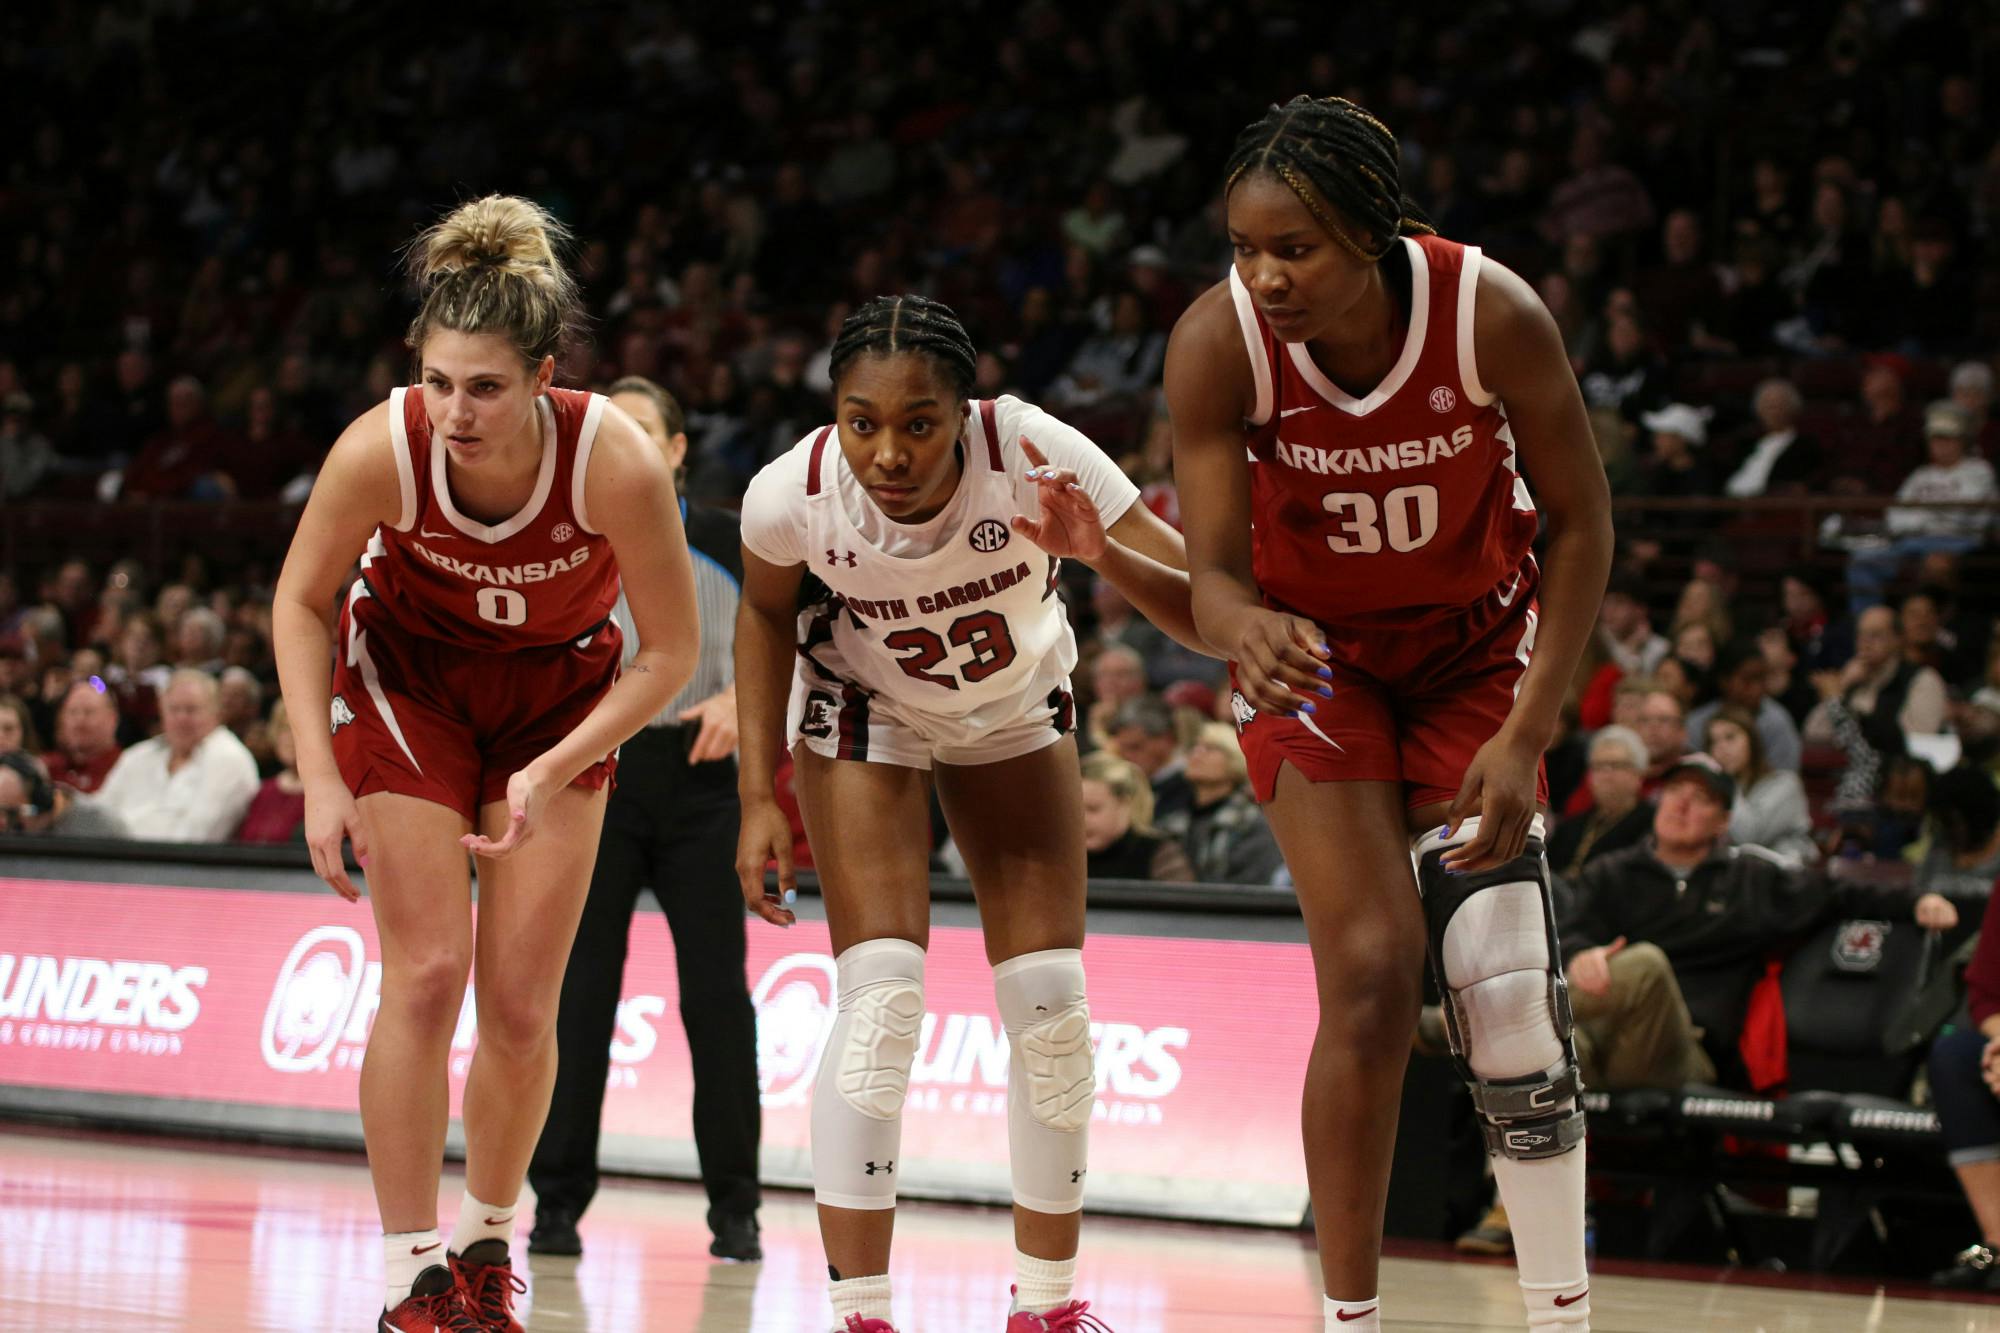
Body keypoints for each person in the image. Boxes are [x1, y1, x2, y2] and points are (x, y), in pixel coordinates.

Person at [1166, 96, 1614, 1331]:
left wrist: (1526, 730)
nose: (1263, 276)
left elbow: (1582, 521)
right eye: (1243, 249)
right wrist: (1238, 626)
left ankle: (1559, 1316)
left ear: (1369, 231)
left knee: (1505, 993)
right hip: (1319, 664)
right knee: (1369, 975)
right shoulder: (1215, 342)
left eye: (1293, 249)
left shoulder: (1489, 312)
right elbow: (1211, 576)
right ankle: (1346, 1320)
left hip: (1477, 654)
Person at [734, 294, 1203, 1333]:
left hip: (1011, 707)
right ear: (833, 413)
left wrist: (1100, 554)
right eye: (862, 422)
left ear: (964, 411)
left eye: (918, 423)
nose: (888, 452)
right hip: (865, 705)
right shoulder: (790, 495)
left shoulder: (1033, 451)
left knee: (1052, 1011)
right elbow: (763, 613)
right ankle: (860, 1314)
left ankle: (1047, 1308)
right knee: (882, 1003)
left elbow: (1200, 597)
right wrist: (756, 793)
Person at [270, 197, 698, 1333]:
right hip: (411, 683)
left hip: (557, 700)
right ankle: (411, 1276)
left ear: (545, 377)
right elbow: (301, 600)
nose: (457, 411)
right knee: (424, 974)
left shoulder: (613, 459)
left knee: (519, 1004)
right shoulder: (383, 444)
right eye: (439, 381)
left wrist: (558, 765)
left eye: (487, 388)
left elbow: (671, 651)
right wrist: (321, 774)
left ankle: (486, 1247)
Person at [529, 375, 765, 1266]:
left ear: (674, 450)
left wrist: (744, 701)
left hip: (701, 782)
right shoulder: (562, 536)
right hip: (597, 778)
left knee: (717, 997)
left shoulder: (729, 538)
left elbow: (797, 638)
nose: (620, 447)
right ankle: (555, 1204)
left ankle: (736, 1209)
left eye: (639, 431)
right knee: (579, 994)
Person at [1845, 402, 1997, 616]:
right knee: (1863, 560)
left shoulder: (1978, 471)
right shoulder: (1921, 475)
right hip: (1913, 541)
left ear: (1962, 441)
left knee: (1937, 565)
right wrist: (1929, 520)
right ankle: (1869, 622)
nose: (1940, 445)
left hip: (1959, 540)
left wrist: (1922, 517)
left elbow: (1961, 515)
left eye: (1947, 439)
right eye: (1935, 439)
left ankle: (1945, 624)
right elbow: (1895, 516)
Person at [90, 668, 258, 842]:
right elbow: (99, 817)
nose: (181, 718)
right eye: (174, 709)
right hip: (114, 854)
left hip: (179, 858)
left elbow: (199, 837)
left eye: (191, 710)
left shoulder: (229, 759)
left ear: (217, 713)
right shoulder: (137, 756)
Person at [1157, 722, 1284, 884]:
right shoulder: (1171, 820)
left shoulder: (1252, 824)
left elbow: (1252, 885)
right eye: (1195, 747)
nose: (1197, 753)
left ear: (1235, 760)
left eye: (1210, 749)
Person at [1700, 707, 1815, 866]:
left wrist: (1725, 780)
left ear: (1752, 741)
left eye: (1730, 737)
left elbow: (1750, 837)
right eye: (1713, 742)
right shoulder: (1715, 793)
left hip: (1783, 874)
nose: (1721, 748)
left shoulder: (1786, 784)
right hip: (1734, 874)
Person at [1547, 725, 1653, 878]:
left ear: (1639, 774)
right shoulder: (1570, 826)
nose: (1606, 774)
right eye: (1598, 766)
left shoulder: (1651, 825)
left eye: (1616, 765)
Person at [1685, 638, 1803, 774]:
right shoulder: (1697, 723)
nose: (1757, 688)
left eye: (1762, 679)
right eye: (1748, 680)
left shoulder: (1777, 721)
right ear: (1724, 681)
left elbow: (1786, 777)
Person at [1079, 749, 1196, 882]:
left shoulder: (1159, 853)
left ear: (1125, 806)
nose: (1082, 821)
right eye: (1076, 812)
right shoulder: (1064, 854)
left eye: (1093, 809)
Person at [236, 698, 306, 843]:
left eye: (296, 728)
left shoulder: (324, 795)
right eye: (283, 729)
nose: (287, 738)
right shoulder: (264, 792)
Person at [42, 676, 122, 793]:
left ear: (112, 719)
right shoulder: (45, 769)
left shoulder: (127, 768)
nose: (80, 720)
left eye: (89, 712)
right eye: (73, 712)